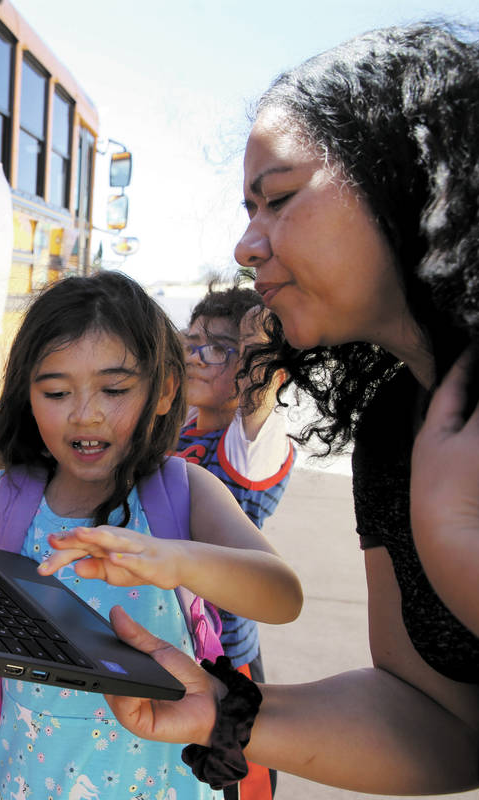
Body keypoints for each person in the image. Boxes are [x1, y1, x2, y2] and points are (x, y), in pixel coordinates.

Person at [47, 22, 479, 797]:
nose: (245, 245)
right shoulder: (396, 429)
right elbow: (435, 720)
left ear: (417, 184)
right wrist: (222, 711)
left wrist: (461, 547)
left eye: (279, 199)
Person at [0, 271, 303, 800]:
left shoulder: (183, 492)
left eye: (114, 389)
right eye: (56, 391)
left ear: (164, 391)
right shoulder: (4, 501)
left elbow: (281, 595)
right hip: (32, 782)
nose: (84, 413)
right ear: (27, 395)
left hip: (163, 784)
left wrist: (176, 559)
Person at [176, 288, 294, 800]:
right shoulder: (180, 429)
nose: (198, 357)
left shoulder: (250, 449)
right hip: (172, 643)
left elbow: (260, 390)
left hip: (223, 660)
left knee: (231, 781)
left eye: (220, 348)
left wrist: (263, 347)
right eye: (192, 341)